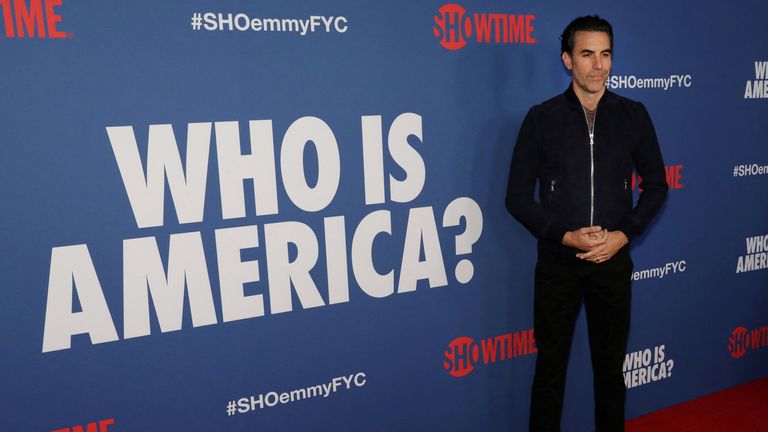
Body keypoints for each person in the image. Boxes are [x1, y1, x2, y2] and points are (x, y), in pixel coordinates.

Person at [505, 15, 668, 432]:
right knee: (550, 372)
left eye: (606, 53)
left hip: (611, 264)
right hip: (558, 265)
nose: (599, 65)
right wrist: (564, 235)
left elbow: (656, 186)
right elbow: (517, 198)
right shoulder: (541, 119)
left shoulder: (634, 115)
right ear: (567, 60)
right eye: (587, 54)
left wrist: (622, 235)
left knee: (610, 373)